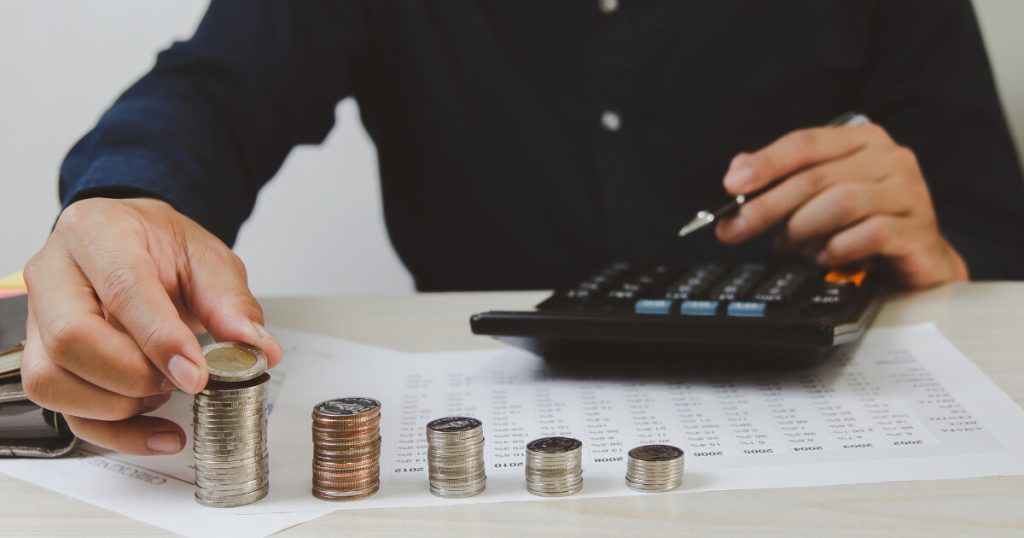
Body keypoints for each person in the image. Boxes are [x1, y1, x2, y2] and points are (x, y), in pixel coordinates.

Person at [20, 1, 1024, 455]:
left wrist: (947, 258)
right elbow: (211, 90)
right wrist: (126, 200)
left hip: (825, 440)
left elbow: (993, 232)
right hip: (479, 438)